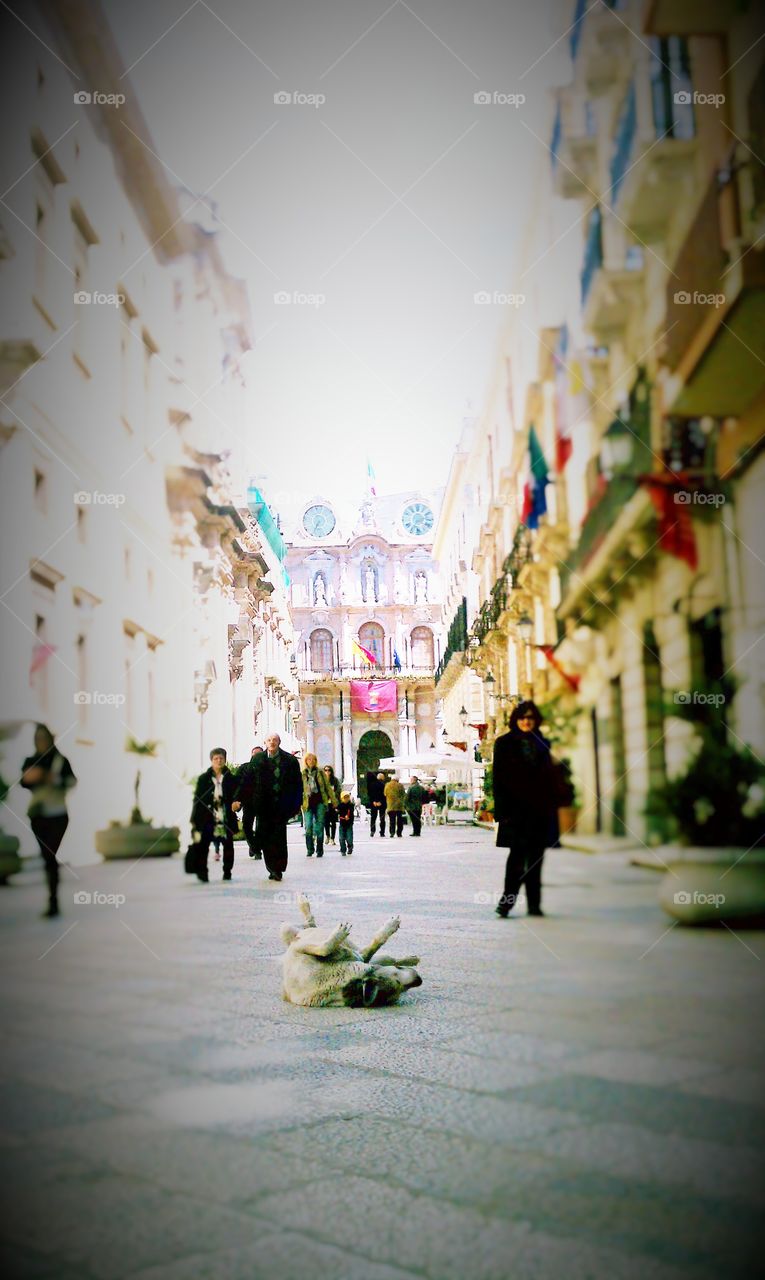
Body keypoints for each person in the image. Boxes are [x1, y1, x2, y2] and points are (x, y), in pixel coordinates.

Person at [493, 700, 557, 918]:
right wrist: (502, 813)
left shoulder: (543, 743)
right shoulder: (503, 743)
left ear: (536, 720)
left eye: (530, 718)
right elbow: (498, 780)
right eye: (522, 717)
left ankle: (534, 905)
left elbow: (549, 778)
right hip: (515, 813)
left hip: (540, 812)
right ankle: (506, 902)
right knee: (516, 861)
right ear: (515, 719)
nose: (526, 721)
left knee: (537, 860)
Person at [20, 724, 77, 918]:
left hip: (58, 814)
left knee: (51, 855)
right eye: (38, 738)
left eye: (44, 738)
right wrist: (37, 776)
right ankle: (53, 900)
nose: (41, 742)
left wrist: (55, 779)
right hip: (38, 815)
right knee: (47, 857)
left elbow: (72, 782)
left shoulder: (60, 760)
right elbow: (24, 781)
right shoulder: (31, 760)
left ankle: (54, 900)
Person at [248, 733, 303, 880]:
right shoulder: (258, 759)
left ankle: (279, 868)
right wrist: (241, 799)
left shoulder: (290, 761)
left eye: (274, 740)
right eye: (269, 740)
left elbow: (298, 785)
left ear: (279, 742)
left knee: (279, 838)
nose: (272, 742)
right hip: (263, 806)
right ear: (265, 743)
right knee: (266, 838)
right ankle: (271, 868)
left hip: (281, 806)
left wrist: (297, 804)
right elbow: (249, 780)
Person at [191, 748, 238, 882]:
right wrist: (194, 820)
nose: (218, 761)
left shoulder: (230, 778)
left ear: (225, 760)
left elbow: (237, 794)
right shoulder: (204, 779)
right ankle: (203, 872)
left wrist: (236, 803)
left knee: (228, 845)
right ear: (211, 760)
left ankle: (227, 871)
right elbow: (197, 799)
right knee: (204, 845)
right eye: (216, 758)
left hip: (225, 816)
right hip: (208, 817)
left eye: (221, 758)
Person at [232, 745, 264, 859]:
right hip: (248, 802)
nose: (256, 756)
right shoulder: (244, 768)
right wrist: (236, 800)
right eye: (254, 753)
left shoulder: (268, 768)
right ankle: (253, 846)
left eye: (259, 753)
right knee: (246, 826)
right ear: (251, 755)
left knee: (261, 828)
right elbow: (237, 785)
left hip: (263, 803)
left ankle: (257, 849)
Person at [301, 752, 333, 858]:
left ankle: (320, 850)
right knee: (308, 827)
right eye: (309, 759)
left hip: (319, 802)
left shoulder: (320, 772)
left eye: (313, 759)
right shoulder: (303, 774)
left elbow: (327, 787)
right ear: (306, 761)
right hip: (307, 803)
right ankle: (310, 849)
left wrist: (334, 801)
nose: (311, 761)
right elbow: (299, 789)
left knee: (319, 827)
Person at [322, 764, 340, 846]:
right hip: (325, 803)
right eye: (325, 770)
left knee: (333, 821)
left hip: (333, 803)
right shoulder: (322, 780)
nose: (327, 772)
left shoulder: (335, 780)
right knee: (326, 821)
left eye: (329, 770)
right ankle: (327, 836)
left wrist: (333, 796)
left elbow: (338, 790)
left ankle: (332, 838)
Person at [368, 771, 387, 837]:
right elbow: (384, 795)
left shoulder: (372, 784)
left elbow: (370, 794)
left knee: (373, 818)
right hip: (382, 803)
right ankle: (382, 832)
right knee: (382, 818)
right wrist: (381, 802)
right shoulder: (384, 785)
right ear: (383, 778)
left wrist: (374, 801)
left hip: (374, 803)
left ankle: (372, 831)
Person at [337, 790, 355, 856]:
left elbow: (351, 811)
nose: (347, 799)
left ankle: (350, 847)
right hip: (342, 824)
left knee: (349, 837)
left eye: (348, 797)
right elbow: (338, 811)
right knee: (341, 838)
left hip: (349, 824)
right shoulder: (340, 805)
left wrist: (348, 816)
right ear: (342, 798)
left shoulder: (350, 805)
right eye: (345, 797)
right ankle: (343, 850)